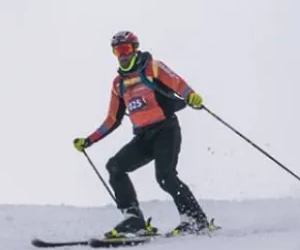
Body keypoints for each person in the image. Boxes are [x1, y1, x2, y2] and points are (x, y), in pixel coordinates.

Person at [73, 30, 212, 238]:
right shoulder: (118, 84)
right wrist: (89, 140)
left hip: (166, 130)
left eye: (126, 49)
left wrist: (191, 96)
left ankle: (196, 220)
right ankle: (134, 220)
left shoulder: (153, 68)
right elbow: (112, 119)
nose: (122, 55)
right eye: (118, 51)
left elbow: (178, 83)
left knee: (165, 177)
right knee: (115, 167)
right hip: (143, 137)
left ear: (135, 49)